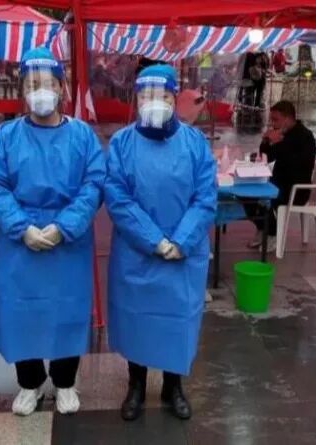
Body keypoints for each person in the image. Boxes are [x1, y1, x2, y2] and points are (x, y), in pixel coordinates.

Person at [0, 47, 105, 417]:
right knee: (22, 313)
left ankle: (65, 382)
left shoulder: (81, 136)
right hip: (20, 242)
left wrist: (64, 226)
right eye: (32, 85)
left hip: (68, 241)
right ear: (22, 90)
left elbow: (94, 184)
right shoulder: (6, 137)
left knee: (67, 311)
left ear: (62, 88)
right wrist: (21, 228)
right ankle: (29, 383)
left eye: (48, 84)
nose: (41, 92)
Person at [105, 64, 216, 422]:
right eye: (147, 95)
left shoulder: (194, 144)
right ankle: (136, 384)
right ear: (137, 99)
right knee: (136, 321)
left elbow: (205, 197)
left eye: (162, 95)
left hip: (183, 254)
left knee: (177, 322)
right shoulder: (122, 144)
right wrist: (154, 240)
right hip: (137, 252)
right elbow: (117, 197)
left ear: (174, 97)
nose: (155, 102)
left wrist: (181, 241)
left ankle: (173, 386)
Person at [245, 101, 316, 248]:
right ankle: (263, 228)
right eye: (271, 120)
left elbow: (299, 163)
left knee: (265, 199)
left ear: (288, 119)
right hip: (276, 183)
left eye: (276, 120)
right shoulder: (281, 134)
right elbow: (267, 157)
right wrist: (266, 140)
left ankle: (272, 233)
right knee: (246, 195)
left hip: (295, 188)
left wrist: (278, 143)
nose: (273, 123)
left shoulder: (305, 136)